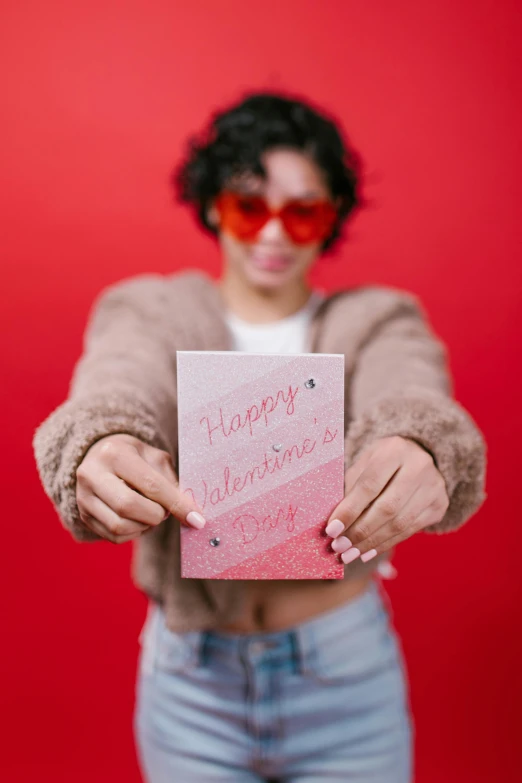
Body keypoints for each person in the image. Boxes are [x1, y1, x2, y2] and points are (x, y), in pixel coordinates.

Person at [33, 90, 487, 782]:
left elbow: (411, 390)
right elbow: (119, 377)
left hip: (345, 676)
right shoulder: (152, 308)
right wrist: (99, 439)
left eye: (302, 212)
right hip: (191, 683)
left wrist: (424, 446)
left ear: (330, 219)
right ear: (215, 204)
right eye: (251, 205)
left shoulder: (377, 318)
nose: (273, 235)